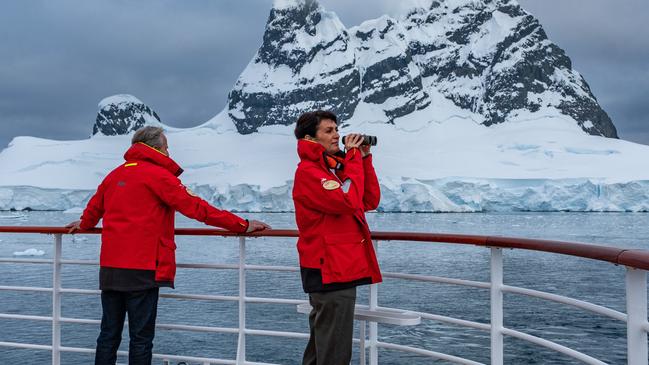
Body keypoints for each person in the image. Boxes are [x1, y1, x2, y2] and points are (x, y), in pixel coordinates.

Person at [66, 126, 270, 365]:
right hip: (142, 269)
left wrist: (82, 223)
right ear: (156, 148)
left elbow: (91, 215)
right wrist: (241, 224)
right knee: (141, 338)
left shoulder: (114, 175)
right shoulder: (159, 176)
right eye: (166, 147)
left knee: (109, 334)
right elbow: (198, 209)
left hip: (111, 269)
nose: (168, 152)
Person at [292, 110, 382, 365]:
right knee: (335, 352)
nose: (337, 136)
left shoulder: (330, 171)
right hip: (330, 270)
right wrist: (352, 157)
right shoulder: (310, 173)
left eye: (336, 129)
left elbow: (368, 200)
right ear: (310, 138)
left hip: (335, 268)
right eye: (329, 131)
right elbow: (347, 201)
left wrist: (363, 159)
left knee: (322, 346)